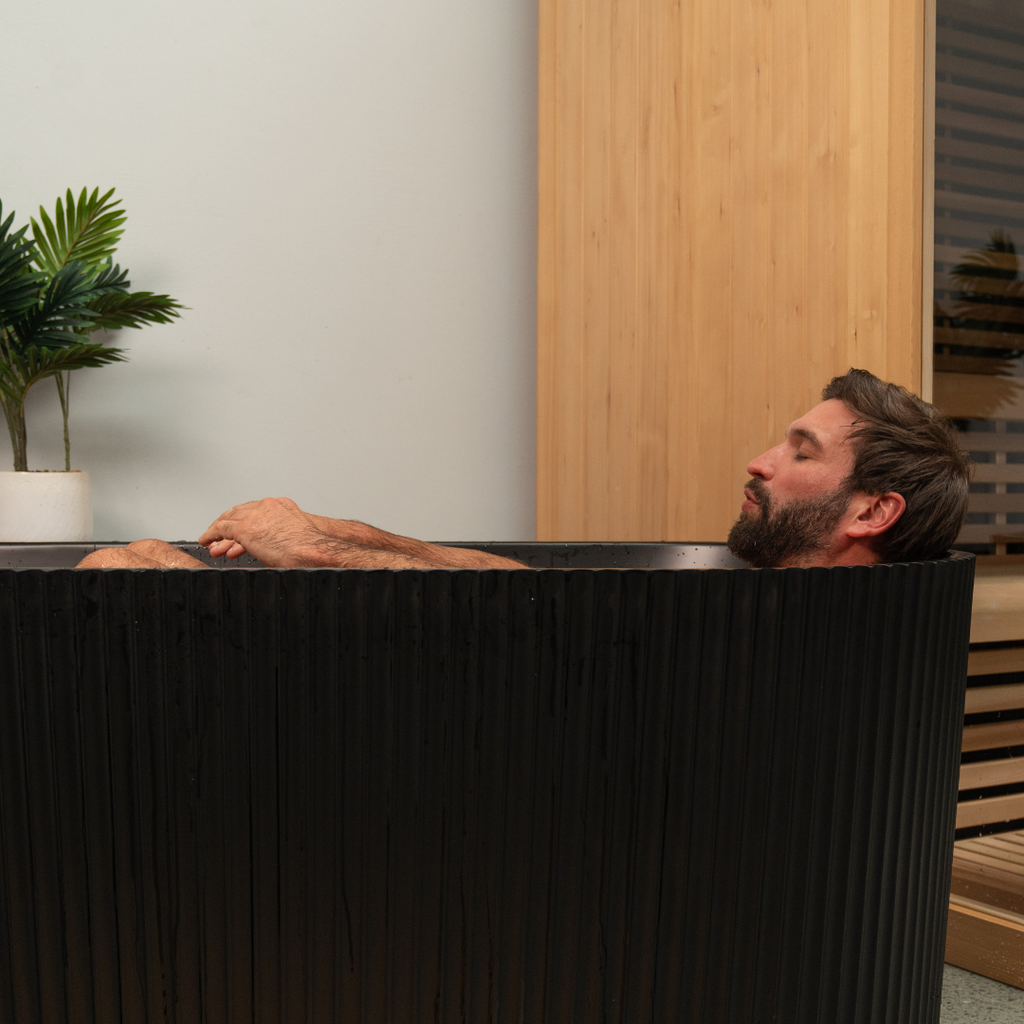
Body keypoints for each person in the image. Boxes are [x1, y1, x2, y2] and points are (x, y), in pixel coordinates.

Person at [77, 368, 971, 571]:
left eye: (800, 453)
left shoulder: (817, 639)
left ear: (871, 512)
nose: (759, 460)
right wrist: (340, 532)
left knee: (126, 568)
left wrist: (318, 557)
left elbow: (540, 622)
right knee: (128, 564)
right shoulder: (754, 586)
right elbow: (526, 580)